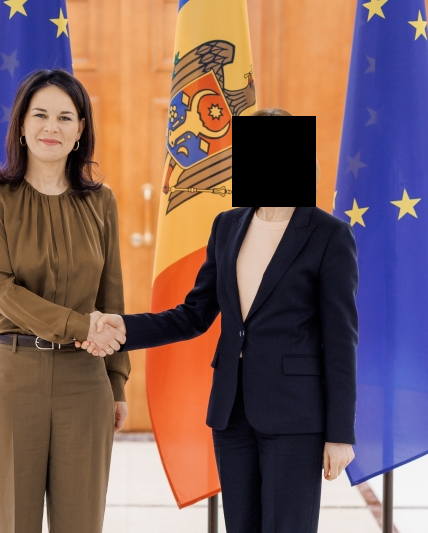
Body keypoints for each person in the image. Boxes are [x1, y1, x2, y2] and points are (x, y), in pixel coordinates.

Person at [81, 108, 358, 533]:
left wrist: (340, 433)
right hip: (232, 411)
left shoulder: (329, 235)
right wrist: (125, 328)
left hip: (296, 417)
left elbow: (341, 341)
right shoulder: (228, 226)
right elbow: (194, 315)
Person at [0, 69, 129, 533]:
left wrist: (117, 381)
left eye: (65, 117)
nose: (51, 127)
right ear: (21, 125)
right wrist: (81, 327)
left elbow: (111, 295)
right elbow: (2, 290)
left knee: (82, 523)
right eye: (40, 115)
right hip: (16, 376)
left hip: (87, 381)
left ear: (80, 131)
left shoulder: (101, 202)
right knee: (12, 522)